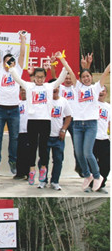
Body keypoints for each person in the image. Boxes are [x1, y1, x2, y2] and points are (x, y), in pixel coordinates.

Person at [10, 54, 67, 186]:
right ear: (34, 77)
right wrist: (12, 68)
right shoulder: (29, 86)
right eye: (37, 77)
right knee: (32, 147)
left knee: (43, 147)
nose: (40, 79)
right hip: (32, 120)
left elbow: (61, 78)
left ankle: (43, 168)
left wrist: (63, 62)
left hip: (45, 121)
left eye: (42, 77)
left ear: (45, 77)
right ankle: (31, 170)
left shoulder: (49, 87)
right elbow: (17, 79)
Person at [59, 57, 110, 191]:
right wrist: (62, 59)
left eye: (88, 76)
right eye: (83, 77)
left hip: (90, 125)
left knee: (87, 152)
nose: (86, 78)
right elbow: (70, 70)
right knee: (79, 153)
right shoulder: (77, 87)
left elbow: (105, 73)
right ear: (80, 79)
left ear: (91, 77)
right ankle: (88, 175)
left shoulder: (96, 88)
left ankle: (97, 176)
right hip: (77, 125)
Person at [47, 86, 72, 190]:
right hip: (46, 136)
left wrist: (63, 129)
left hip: (58, 137)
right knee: (44, 159)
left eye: (56, 87)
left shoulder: (64, 101)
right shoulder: (45, 101)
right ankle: (43, 181)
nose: (54, 89)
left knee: (58, 160)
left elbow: (69, 116)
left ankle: (55, 181)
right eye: (52, 87)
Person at [95, 87, 110, 190]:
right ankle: (92, 183)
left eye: (103, 91)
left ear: (106, 93)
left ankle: (101, 184)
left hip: (104, 139)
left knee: (106, 163)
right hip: (92, 138)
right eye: (99, 90)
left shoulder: (109, 107)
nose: (101, 92)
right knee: (92, 163)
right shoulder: (92, 105)